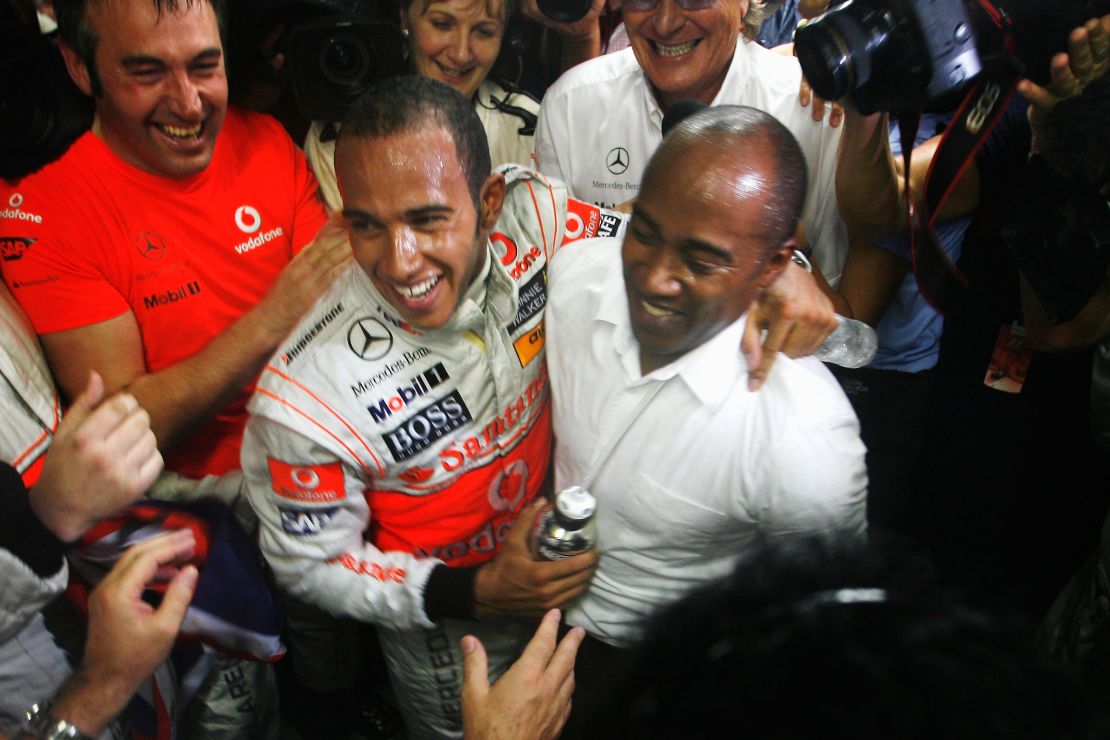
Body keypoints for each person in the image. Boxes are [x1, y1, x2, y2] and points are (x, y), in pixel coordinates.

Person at [241, 75, 612, 739]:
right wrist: (474, 592)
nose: (400, 261)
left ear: (489, 201)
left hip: (574, 578)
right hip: (447, 636)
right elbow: (309, 563)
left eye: (427, 218)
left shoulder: (540, 217)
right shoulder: (305, 395)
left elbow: (642, 245)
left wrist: (763, 268)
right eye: (367, 226)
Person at [543, 105, 866, 732]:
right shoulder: (575, 281)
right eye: (644, 232)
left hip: (667, 675)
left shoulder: (803, 440)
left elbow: (818, 622)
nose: (656, 278)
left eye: (701, 258)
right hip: (534, 615)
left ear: (775, 264)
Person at [0, 0, 350, 485]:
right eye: (148, 73)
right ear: (80, 67)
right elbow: (122, 427)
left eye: (205, 66)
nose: (189, 103)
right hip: (221, 492)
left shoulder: (266, 142)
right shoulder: (47, 209)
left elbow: (344, 309)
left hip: (350, 432)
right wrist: (272, 319)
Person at [533, 0, 850, 290]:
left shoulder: (813, 111)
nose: (666, 23)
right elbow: (550, 286)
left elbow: (832, 311)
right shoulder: (571, 105)